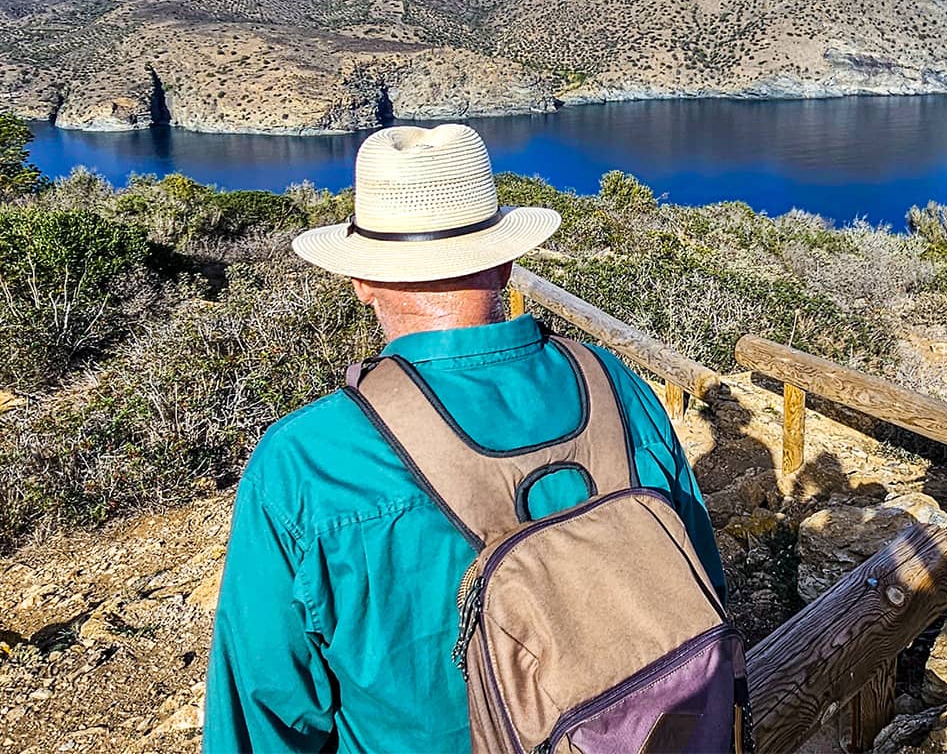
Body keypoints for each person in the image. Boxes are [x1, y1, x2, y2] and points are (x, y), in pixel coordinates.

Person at [204, 123, 724, 753]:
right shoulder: (616, 388)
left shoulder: (308, 461)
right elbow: (701, 585)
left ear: (361, 279)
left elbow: (265, 713)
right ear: (505, 262)